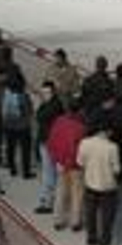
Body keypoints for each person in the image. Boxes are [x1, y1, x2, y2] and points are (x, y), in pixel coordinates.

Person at [77, 120, 120, 245]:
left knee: (91, 212)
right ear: (107, 132)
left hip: (90, 184)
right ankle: (105, 240)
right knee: (107, 215)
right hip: (108, 187)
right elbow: (116, 169)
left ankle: (91, 237)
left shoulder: (85, 143)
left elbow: (80, 162)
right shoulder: (112, 147)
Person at [46, 99, 86, 232]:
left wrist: (56, 160)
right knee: (77, 193)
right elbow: (78, 149)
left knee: (61, 191)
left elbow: (51, 142)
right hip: (75, 165)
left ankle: (58, 220)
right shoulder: (81, 127)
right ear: (80, 110)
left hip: (60, 163)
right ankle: (75, 222)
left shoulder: (58, 121)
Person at [32, 80, 62, 214]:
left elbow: (39, 116)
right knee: (51, 172)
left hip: (49, 143)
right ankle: (52, 200)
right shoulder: (54, 104)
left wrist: (40, 104)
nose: (44, 95)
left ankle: (47, 202)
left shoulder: (53, 106)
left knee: (48, 173)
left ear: (53, 92)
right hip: (48, 142)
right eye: (43, 92)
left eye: (47, 92)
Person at [0, 74, 34, 179]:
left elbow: (3, 111)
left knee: (11, 148)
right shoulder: (24, 97)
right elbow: (29, 111)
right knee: (25, 150)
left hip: (9, 126)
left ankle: (12, 169)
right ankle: (26, 172)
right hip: (23, 127)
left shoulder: (6, 95)